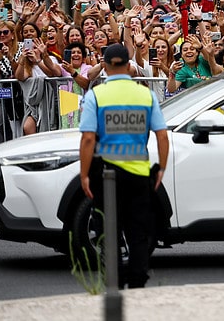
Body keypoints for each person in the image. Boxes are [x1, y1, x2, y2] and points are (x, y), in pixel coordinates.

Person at [79, 43, 169, 289]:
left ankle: (114, 280)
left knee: (108, 229)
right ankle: (138, 281)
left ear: (106, 67)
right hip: (139, 174)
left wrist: (84, 174)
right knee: (138, 230)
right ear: (129, 66)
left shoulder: (96, 96)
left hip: (106, 174)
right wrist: (161, 168)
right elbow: (162, 135)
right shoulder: (145, 95)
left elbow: (88, 138)